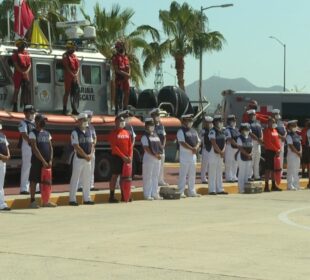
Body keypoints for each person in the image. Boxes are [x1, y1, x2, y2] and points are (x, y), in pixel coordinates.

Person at [28, 114, 56, 208]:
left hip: (47, 161)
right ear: (36, 121)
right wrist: (43, 160)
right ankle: (32, 201)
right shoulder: (32, 133)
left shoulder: (47, 133)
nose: (44, 122)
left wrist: (51, 159)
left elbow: (51, 147)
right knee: (34, 180)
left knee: (46, 181)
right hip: (37, 161)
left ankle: (46, 201)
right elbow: (34, 148)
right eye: (42, 120)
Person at [69, 113, 95, 206]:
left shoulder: (89, 131)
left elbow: (92, 144)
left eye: (86, 120)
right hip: (79, 159)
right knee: (75, 178)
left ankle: (87, 198)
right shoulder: (75, 132)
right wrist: (85, 156)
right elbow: (76, 146)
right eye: (83, 120)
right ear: (79, 121)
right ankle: (72, 199)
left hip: (88, 159)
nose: (85, 121)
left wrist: (91, 154)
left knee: (87, 179)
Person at [108, 115, 133, 203]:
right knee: (115, 176)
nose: (122, 122)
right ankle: (111, 196)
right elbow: (114, 147)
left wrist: (129, 156)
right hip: (117, 157)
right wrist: (123, 157)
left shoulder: (127, 132)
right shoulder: (113, 133)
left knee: (124, 177)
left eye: (123, 121)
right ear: (116, 122)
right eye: (120, 121)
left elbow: (130, 145)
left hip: (126, 158)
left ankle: (124, 195)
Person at [177, 114, 201, 198]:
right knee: (183, 174)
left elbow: (199, 141)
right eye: (188, 120)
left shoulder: (194, 130)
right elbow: (182, 142)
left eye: (191, 120)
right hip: (185, 155)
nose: (190, 122)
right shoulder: (181, 131)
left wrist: (196, 147)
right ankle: (180, 191)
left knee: (192, 174)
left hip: (193, 155)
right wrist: (192, 148)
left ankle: (192, 191)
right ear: (184, 121)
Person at [141, 118, 163, 200]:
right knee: (148, 176)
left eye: (153, 125)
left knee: (155, 176)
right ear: (146, 126)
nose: (152, 127)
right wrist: (155, 155)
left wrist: (159, 154)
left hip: (157, 158)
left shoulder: (155, 134)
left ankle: (155, 193)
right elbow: (146, 148)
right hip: (149, 157)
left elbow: (159, 145)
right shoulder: (144, 136)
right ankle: (147, 194)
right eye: (150, 125)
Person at [78, 110, 98, 192]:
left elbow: (95, 137)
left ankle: (91, 185)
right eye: (89, 117)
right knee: (82, 169)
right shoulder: (81, 127)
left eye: (91, 117)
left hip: (91, 151)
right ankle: (80, 186)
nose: (90, 119)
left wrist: (93, 144)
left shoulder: (91, 127)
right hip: (84, 152)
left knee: (91, 169)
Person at [19, 105, 36, 194]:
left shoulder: (35, 122)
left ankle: (36, 188)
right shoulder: (23, 123)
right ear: (25, 113)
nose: (32, 114)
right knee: (27, 167)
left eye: (33, 112)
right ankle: (24, 188)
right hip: (27, 147)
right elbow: (24, 135)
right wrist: (32, 143)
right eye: (30, 112)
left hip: (35, 147)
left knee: (35, 167)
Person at [208, 115, 228, 195]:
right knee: (212, 172)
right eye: (219, 121)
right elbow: (213, 142)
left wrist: (223, 151)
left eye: (221, 121)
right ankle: (212, 190)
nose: (220, 122)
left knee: (219, 172)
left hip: (220, 154)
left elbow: (225, 142)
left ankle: (220, 189)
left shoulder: (222, 131)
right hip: (213, 153)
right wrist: (220, 152)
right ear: (215, 122)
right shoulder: (212, 131)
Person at [149, 108, 169, 186]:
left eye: (158, 115)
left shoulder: (161, 125)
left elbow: (164, 136)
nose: (158, 116)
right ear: (152, 116)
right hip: (154, 149)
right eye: (156, 115)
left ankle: (160, 180)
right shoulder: (150, 126)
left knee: (161, 165)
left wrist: (163, 145)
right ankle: (153, 182)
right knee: (153, 166)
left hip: (161, 148)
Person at [11, 39, 31, 112]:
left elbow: (29, 65)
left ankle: (26, 107)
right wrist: (22, 72)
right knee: (16, 90)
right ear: (18, 46)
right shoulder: (15, 55)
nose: (23, 46)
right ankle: (15, 106)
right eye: (21, 44)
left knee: (26, 91)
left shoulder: (27, 54)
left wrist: (26, 72)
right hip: (18, 74)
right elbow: (16, 65)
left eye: (24, 45)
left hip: (25, 74)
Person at [112, 40, 130, 115]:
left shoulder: (126, 57)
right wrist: (125, 74)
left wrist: (128, 74)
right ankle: (117, 109)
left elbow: (129, 67)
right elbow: (116, 69)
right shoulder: (115, 57)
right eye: (119, 46)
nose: (121, 48)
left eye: (121, 46)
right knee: (118, 94)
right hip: (119, 78)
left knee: (127, 93)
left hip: (126, 78)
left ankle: (125, 108)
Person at [263, 117, 282, 192]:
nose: (273, 123)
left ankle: (274, 185)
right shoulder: (267, 131)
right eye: (272, 122)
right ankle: (266, 186)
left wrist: (279, 149)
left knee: (274, 170)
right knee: (268, 169)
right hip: (269, 152)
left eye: (274, 122)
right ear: (268, 123)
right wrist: (276, 149)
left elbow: (277, 141)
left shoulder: (275, 130)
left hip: (276, 152)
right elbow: (268, 143)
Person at [62, 40, 80, 115]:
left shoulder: (75, 56)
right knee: (67, 92)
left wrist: (76, 75)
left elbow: (78, 67)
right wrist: (73, 75)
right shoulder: (65, 55)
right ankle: (64, 108)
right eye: (72, 48)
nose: (73, 49)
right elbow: (66, 67)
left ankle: (74, 109)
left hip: (75, 76)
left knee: (75, 93)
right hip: (68, 76)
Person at [236, 123, 253, 193]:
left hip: (248, 157)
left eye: (247, 129)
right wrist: (247, 154)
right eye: (245, 129)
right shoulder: (239, 138)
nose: (247, 131)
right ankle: (241, 189)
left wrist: (250, 154)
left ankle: (246, 188)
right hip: (241, 156)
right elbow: (240, 148)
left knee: (247, 173)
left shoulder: (249, 138)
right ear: (242, 130)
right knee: (242, 173)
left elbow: (252, 147)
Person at [248, 109, 263, 180]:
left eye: (254, 115)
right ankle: (250, 176)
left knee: (257, 160)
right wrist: (258, 139)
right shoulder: (248, 124)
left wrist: (261, 139)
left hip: (258, 144)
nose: (253, 116)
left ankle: (257, 176)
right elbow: (250, 133)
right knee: (252, 160)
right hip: (252, 142)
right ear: (249, 116)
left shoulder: (258, 123)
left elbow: (261, 132)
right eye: (252, 115)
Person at [286, 120, 301, 191]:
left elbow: (300, 144)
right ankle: (290, 185)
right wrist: (297, 153)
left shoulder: (297, 135)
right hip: (292, 154)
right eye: (293, 126)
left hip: (297, 154)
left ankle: (296, 185)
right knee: (291, 170)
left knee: (296, 170)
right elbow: (291, 146)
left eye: (295, 125)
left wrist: (300, 152)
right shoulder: (289, 135)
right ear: (289, 127)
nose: (295, 127)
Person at [224, 114, 239, 182]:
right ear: (229, 121)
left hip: (236, 148)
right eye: (232, 120)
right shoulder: (227, 130)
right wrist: (237, 145)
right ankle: (228, 177)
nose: (234, 122)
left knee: (235, 162)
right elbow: (229, 139)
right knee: (229, 162)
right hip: (229, 147)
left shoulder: (237, 129)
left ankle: (234, 176)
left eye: (234, 120)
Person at [0, 122, 11, 211]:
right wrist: (2, 156)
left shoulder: (3, 136)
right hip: (1, 159)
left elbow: (6, 146)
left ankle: (2, 203)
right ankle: (2, 203)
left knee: (1, 184)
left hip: (3, 162)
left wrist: (8, 155)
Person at [200, 116, 213, 184]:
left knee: (211, 164)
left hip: (212, 149)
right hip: (205, 148)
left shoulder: (213, 130)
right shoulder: (203, 131)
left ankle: (210, 177)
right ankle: (203, 178)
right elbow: (202, 140)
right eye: (208, 122)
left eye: (210, 122)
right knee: (204, 164)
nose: (209, 124)